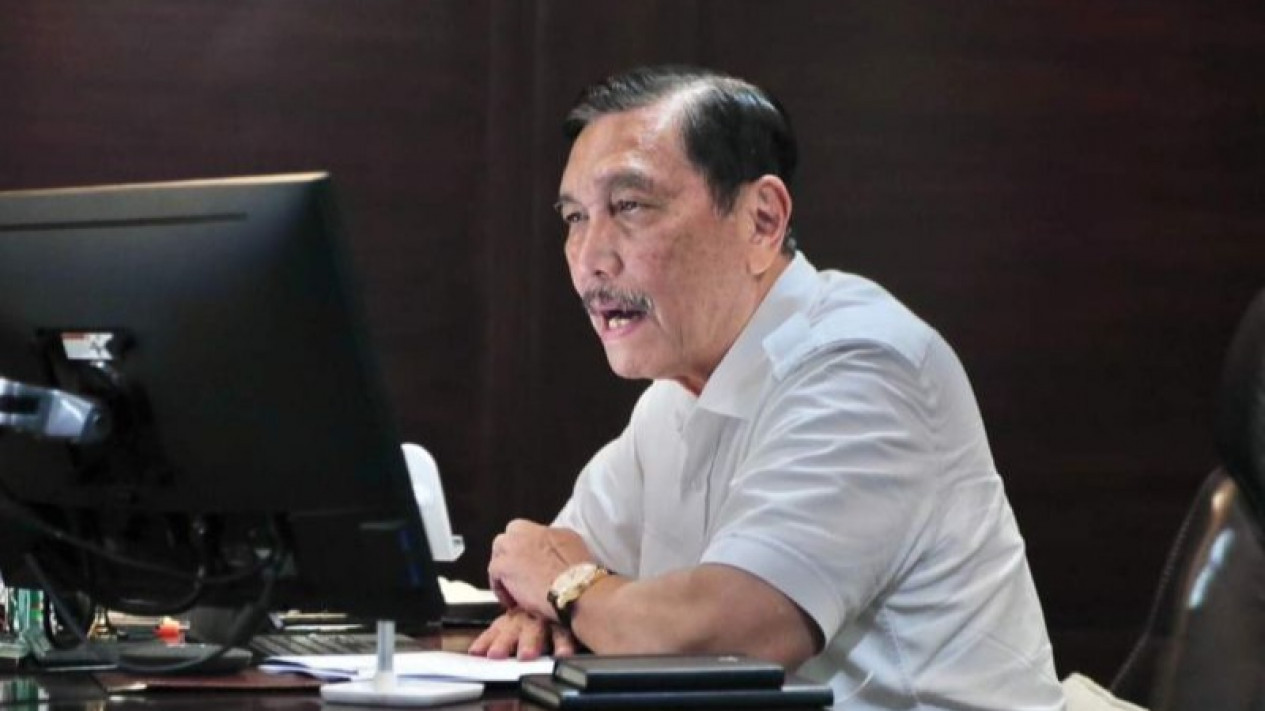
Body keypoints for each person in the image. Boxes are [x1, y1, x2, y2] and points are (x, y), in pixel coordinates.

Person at [469, 65, 1064, 710]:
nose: (590, 259)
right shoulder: (674, 396)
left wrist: (565, 590)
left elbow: (724, 643)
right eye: (575, 217)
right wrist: (553, 601)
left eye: (630, 207)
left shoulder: (865, 366)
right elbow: (551, 562)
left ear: (761, 221)